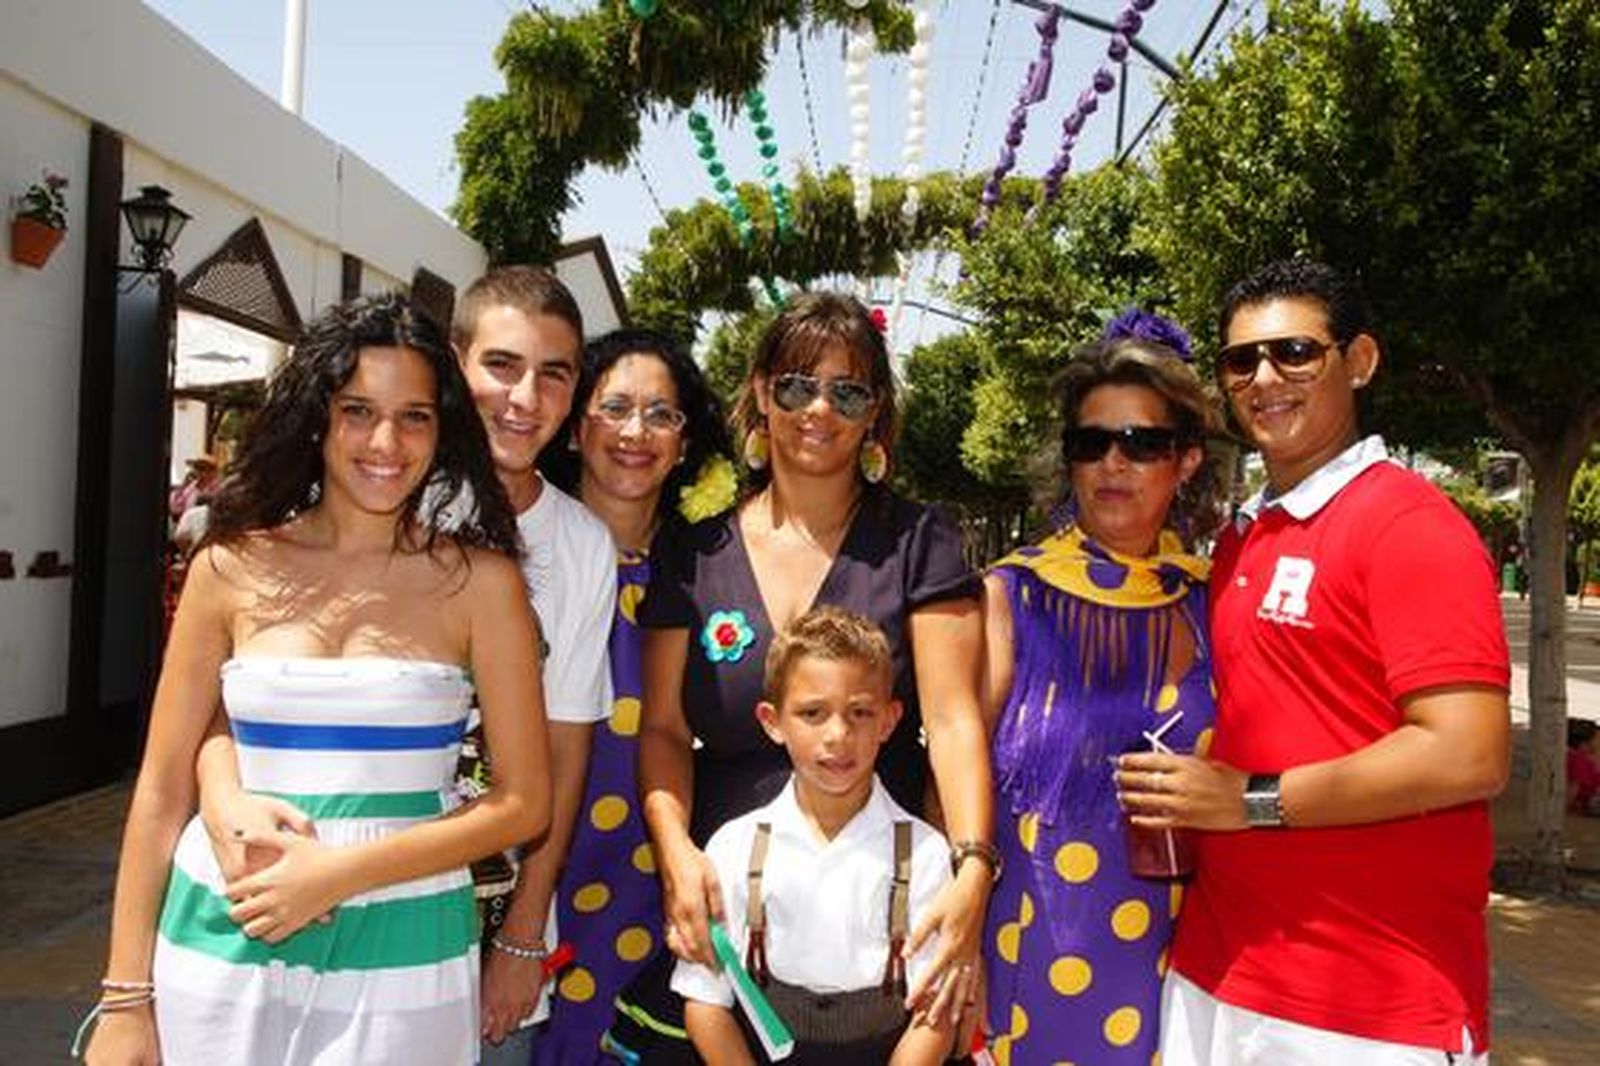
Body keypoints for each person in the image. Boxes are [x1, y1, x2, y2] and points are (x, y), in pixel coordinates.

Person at [82, 293, 553, 1065]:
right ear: (317, 417)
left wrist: (335, 874)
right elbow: (163, 787)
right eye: (357, 410)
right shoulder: (227, 566)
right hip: (224, 934)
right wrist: (126, 998)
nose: (385, 442)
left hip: (406, 945)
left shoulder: (482, 582)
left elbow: (524, 803)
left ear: (443, 431)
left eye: (414, 417)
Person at [190, 268, 615, 1064]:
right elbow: (233, 691)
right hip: (292, 880)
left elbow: (559, 758)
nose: (525, 397)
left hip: (479, 910)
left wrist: (525, 934)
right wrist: (219, 795)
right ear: (454, 363)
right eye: (502, 365)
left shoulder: (582, 544)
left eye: (553, 373)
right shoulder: (375, 484)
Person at [1118, 260, 1510, 1064]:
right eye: (1241, 361)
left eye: (1296, 352)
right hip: (1219, 973)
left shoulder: (1406, 523)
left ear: (1358, 360)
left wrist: (1252, 800)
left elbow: (1467, 751)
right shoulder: (1239, 540)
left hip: (1366, 1003)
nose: (1265, 378)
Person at [629, 291, 994, 1058]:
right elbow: (663, 726)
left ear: (875, 413)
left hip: (874, 926)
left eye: (847, 390)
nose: (816, 409)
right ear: (761, 392)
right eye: (795, 384)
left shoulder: (920, 543)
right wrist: (678, 858)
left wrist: (971, 873)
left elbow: (956, 721)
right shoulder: (691, 554)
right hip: (729, 919)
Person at [980, 326, 1221, 1064]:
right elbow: (949, 784)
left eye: (1141, 443)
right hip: (1028, 950)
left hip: (1184, 963)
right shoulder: (1011, 595)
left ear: (1186, 460)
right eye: (1091, 443)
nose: (1113, 463)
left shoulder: (1212, 602)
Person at [532, 328, 736, 1063]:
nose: (635, 431)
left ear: (684, 443)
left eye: (661, 414)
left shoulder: (711, 574)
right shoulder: (516, 558)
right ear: (577, 424)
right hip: (527, 873)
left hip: (655, 887)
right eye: (614, 406)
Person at [672, 606, 956, 1065]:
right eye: (812, 713)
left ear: (889, 720)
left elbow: (935, 1012)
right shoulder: (735, 847)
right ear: (772, 721)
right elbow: (706, 1001)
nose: (838, 734)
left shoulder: (924, 853)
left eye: (860, 712)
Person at [1568, 719, 1600, 815]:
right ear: (1585, 742)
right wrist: (1569, 806)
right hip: (1592, 800)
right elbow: (1575, 785)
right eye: (1597, 739)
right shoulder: (1579, 759)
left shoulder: (1580, 758)